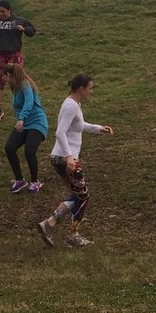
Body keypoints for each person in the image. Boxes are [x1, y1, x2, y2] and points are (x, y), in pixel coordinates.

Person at [36, 73, 114, 248]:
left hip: (61, 158)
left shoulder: (74, 104)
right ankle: (72, 234)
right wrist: (69, 156)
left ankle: (49, 224)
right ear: (81, 89)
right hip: (65, 158)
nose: (91, 92)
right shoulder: (70, 106)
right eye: (90, 88)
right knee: (84, 196)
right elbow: (60, 132)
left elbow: (80, 125)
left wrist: (99, 128)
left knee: (79, 194)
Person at [0, 0, 36, 123]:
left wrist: (23, 29)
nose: (1, 14)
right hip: (0, 54)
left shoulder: (19, 20)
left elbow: (32, 31)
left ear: (9, 10)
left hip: (14, 53)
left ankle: (24, 107)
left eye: (3, 11)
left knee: (17, 80)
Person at [1, 62, 48, 194]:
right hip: (25, 123)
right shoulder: (16, 87)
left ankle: (35, 181)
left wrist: (21, 118)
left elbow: (29, 102)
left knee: (29, 150)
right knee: (9, 147)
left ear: (9, 74)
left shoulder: (25, 84)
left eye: (4, 76)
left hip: (37, 122)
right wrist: (21, 120)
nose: (3, 79)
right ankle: (20, 180)